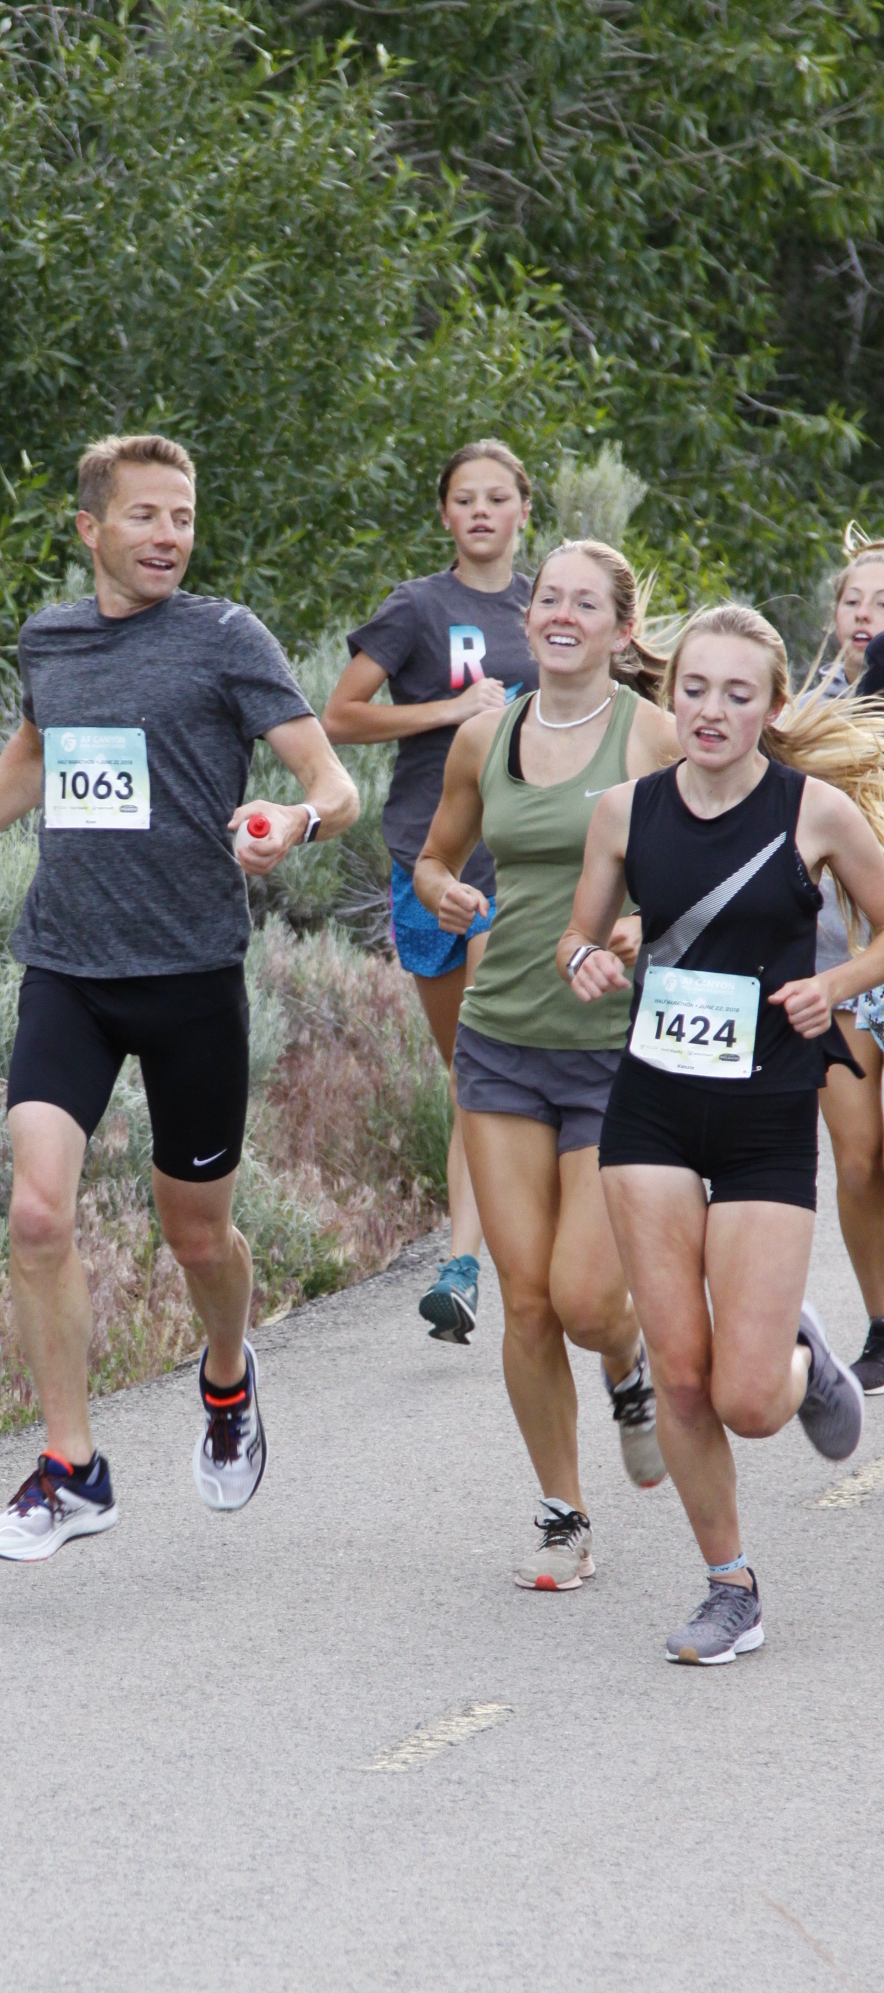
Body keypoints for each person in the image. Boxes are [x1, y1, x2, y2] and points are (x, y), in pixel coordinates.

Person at [0, 433, 359, 1562]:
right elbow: (39, 748)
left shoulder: (224, 638)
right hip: (67, 969)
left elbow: (334, 783)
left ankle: (227, 1375)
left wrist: (292, 822)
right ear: (90, 529)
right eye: (145, 515)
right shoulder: (51, 638)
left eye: (184, 517)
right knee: (36, 1212)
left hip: (189, 978)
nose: (169, 536)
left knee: (196, 1235)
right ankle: (72, 1470)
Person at [559, 603, 884, 1664]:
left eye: (737, 695)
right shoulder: (624, 811)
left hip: (765, 1112)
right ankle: (729, 1587)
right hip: (651, 1108)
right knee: (682, 1376)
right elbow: (578, 934)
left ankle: (800, 1358)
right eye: (694, 689)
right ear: (670, 696)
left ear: (772, 708)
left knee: (745, 1400)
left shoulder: (814, 810)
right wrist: (585, 961)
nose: (710, 710)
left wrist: (835, 983)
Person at [413, 540, 681, 1587]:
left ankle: (626, 1360)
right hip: (500, 1044)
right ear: (528, 620)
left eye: (586, 603)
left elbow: (695, 872)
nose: (562, 615)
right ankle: (564, 1517)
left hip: (613, 1052)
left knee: (585, 1300)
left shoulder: (650, 735)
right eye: (549, 600)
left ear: (620, 628)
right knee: (525, 1301)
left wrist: (638, 927)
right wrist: (441, 890)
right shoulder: (485, 736)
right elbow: (435, 854)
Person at [324, 440, 537, 1344]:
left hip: (517, 860)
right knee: (467, 1074)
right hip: (426, 855)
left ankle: (464, 1266)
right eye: (465, 499)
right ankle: (508, 1227)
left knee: (484, 1060)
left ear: (524, 508)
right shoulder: (417, 607)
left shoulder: (547, 601)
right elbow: (340, 716)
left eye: (498, 497)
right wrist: (449, 710)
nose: (482, 511)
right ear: (445, 514)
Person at [807, 529, 884, 1389]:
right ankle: (883, 1325)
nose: (865, 616)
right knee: (857, 1156)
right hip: (842, 970)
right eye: (852, 601)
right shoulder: (804, 714)